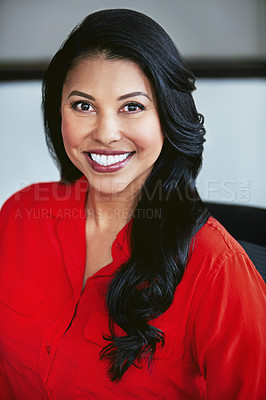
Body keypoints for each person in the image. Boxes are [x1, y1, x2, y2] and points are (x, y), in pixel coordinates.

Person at [0, 8, 265, 400]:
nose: (105, 133)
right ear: (59, 112)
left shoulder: (215, 267)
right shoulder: (21, 214)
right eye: (83, 106)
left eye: (132, 106)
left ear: (168, 117)